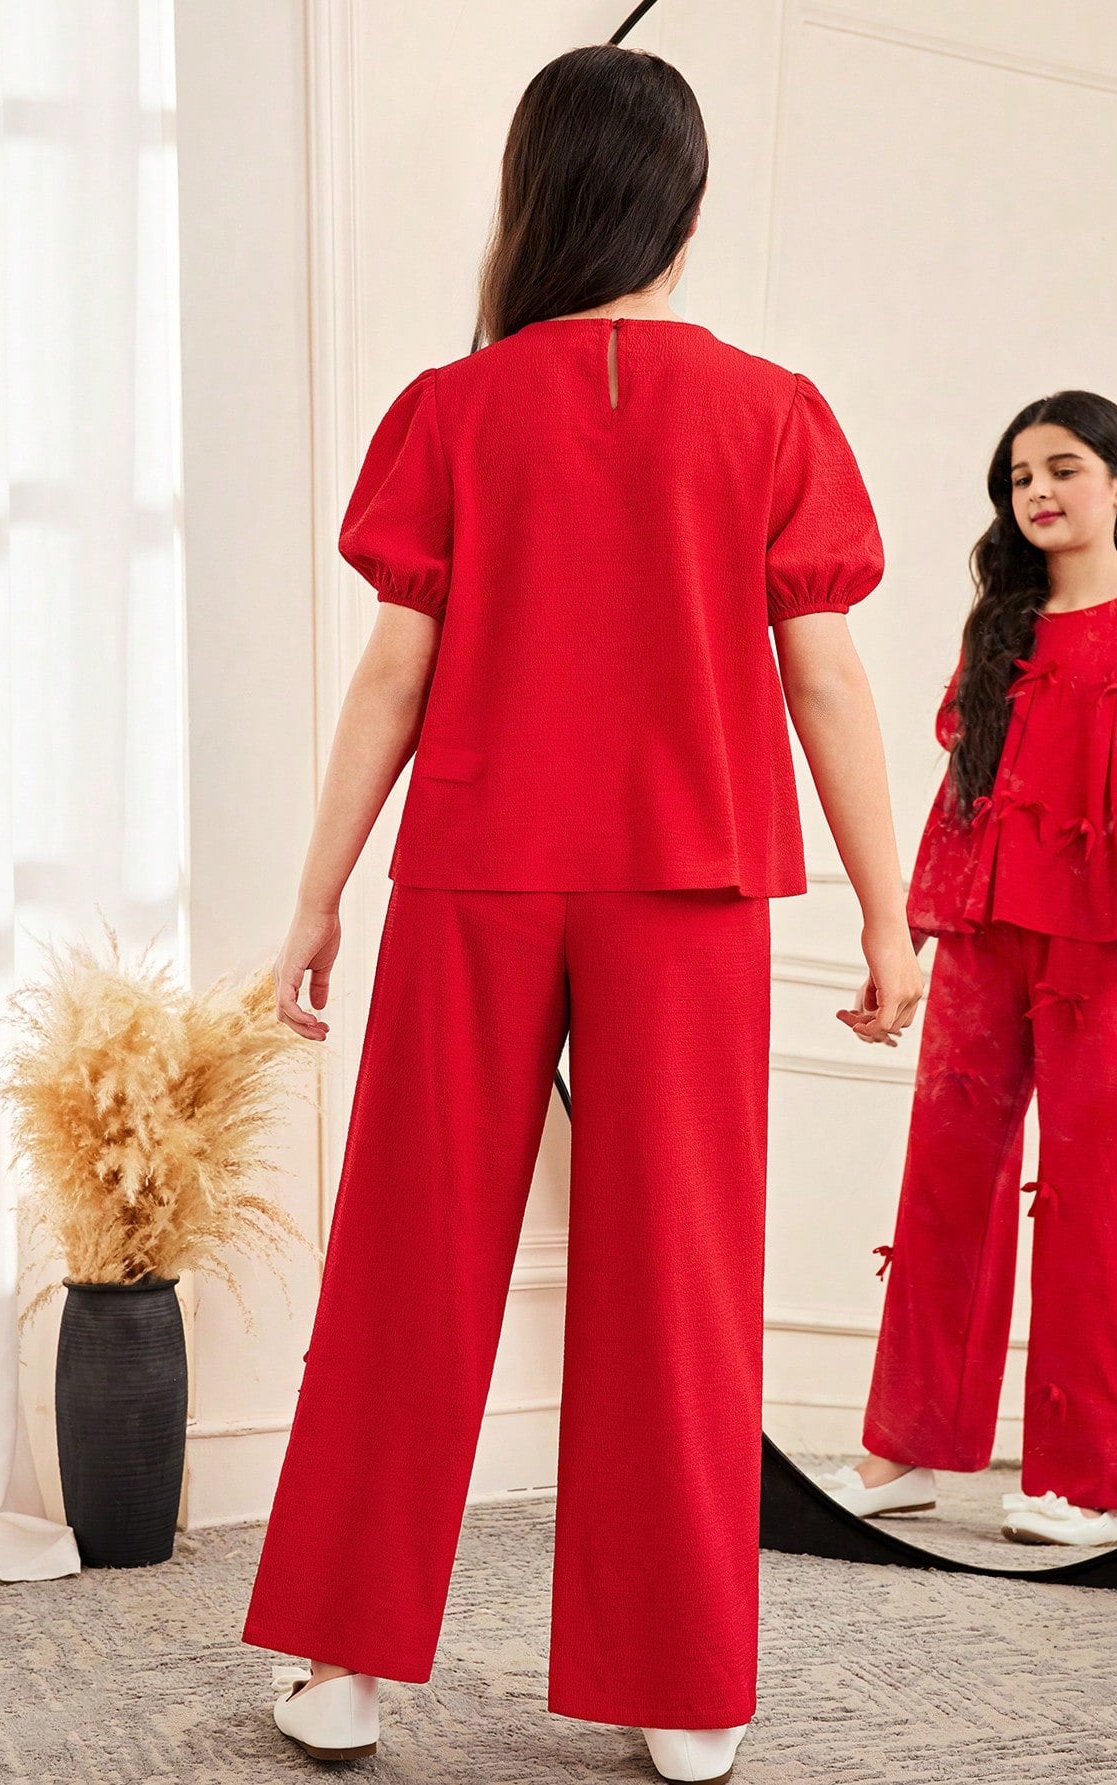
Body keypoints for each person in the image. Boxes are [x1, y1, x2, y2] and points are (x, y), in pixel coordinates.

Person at [240, 43, 922, 1782]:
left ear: (534, 196)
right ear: (685, 203)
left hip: (477, 870)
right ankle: (684, 1693)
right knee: (680, 1272)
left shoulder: (453, 410)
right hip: (688, 887)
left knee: (410, 1259)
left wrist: (316, 898)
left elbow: (394, 676)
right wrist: (888, 914)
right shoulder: (774, 414)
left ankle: (344, 1670)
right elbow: (827, 681)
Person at [820, 390, 1117, 1550]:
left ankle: (1085, 1479)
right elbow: (961, 798)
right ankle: (902, 1450)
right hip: (980, 933)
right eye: (1017, 478)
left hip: (1105, 941)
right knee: (940, 1184)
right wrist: (901, 943)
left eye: (1061, 469)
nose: (1037, 492)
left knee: (1089, 1199)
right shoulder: (996, 628)